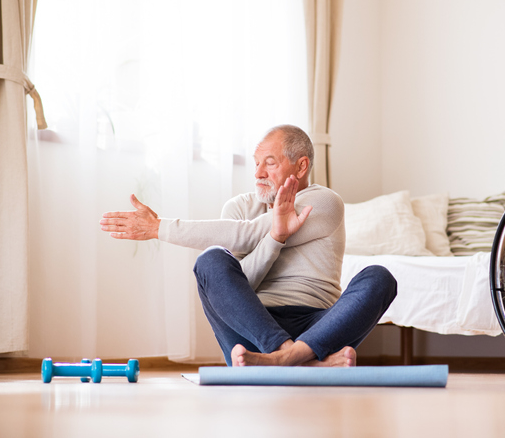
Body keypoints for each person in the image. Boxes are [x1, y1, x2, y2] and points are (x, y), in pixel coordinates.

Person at [99, 125, 397, 367]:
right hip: (253, 326)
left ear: (301, 165)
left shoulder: (325, 202)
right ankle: (298, 359)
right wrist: (275, 238)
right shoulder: (238, 208)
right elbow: (242, 285)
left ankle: (285, 360)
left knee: (380, 278)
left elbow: (247, 235)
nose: (258, 174)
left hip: (316, 326)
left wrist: (158, 227)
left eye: (270, 162)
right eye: (256, 164)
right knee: (211, 260)